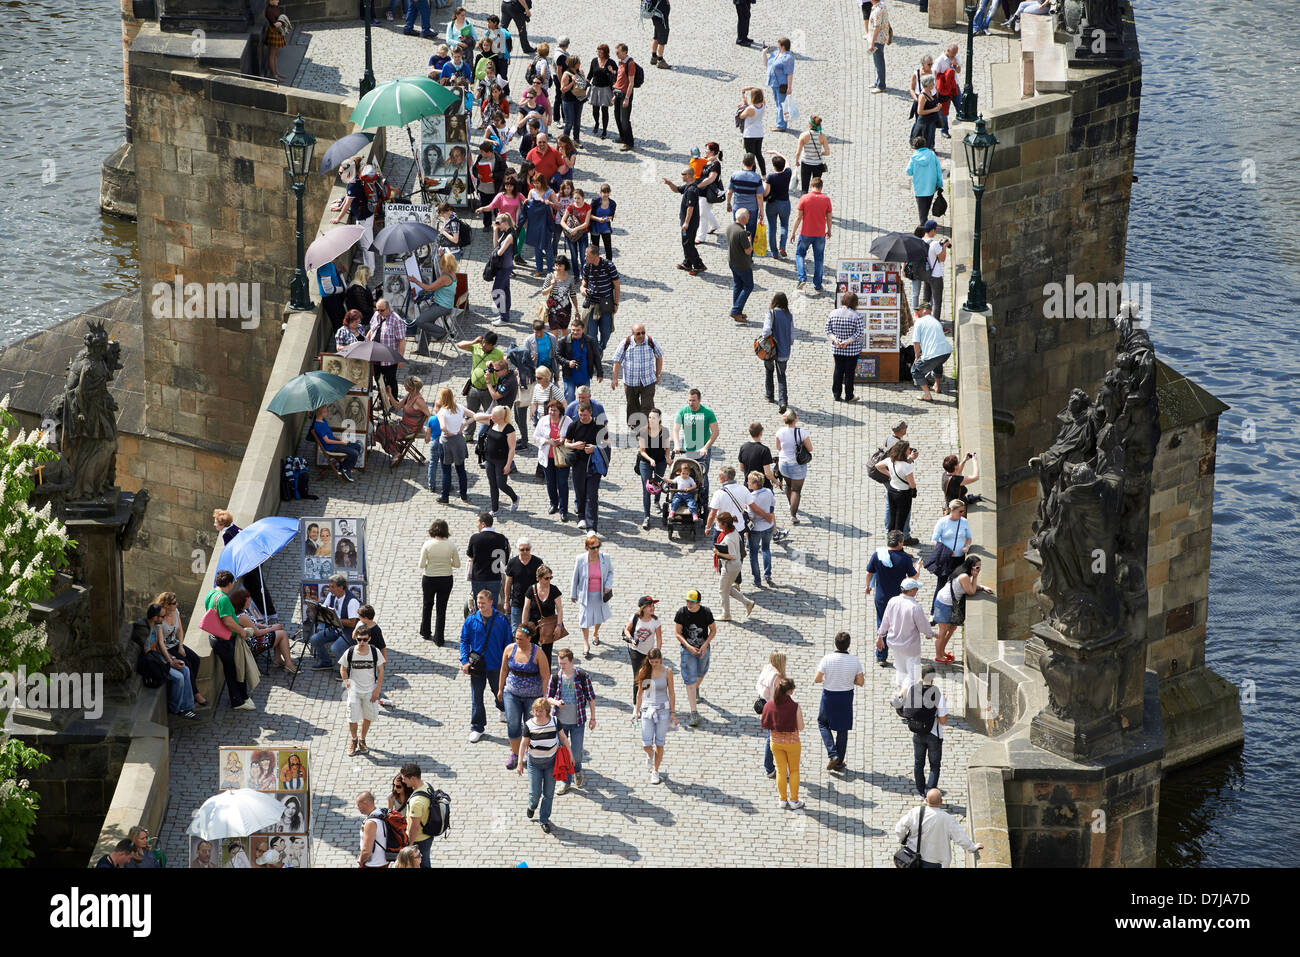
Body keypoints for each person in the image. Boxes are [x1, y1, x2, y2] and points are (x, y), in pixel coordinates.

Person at [460, 589, 512, 741]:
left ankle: (502, 709)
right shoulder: (471, 620)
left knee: (499, 691)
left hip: (496, 665)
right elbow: (464, 640)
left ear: (491, 602)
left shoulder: (502, 620)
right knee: (477, 697)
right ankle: (477, 726)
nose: (480, 605)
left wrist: (508, 663)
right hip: (477, 666)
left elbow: (508, 642)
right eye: (478, 603)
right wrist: (464, 661)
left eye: (483, 603)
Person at [498, 624, 550, 770]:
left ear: (529, 638)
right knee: (513, 724)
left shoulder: (538, 653)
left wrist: (544, 697)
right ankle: (515, 754)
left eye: (521, 639)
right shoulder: (510, 649)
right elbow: (504, 669)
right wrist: (500, 688)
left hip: (532, 696)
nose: (518, 641)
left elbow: (545, 676)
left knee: (530, 726)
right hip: (512, 693)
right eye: (516, 638)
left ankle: (529, 753)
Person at [546, 647, 597, 792]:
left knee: (576, 752)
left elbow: (591, 698)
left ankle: (577, 769)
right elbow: (547, 697)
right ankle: (565, 781)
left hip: (578, 721)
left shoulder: (582, 676)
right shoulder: (556, 677)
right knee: (563, 752)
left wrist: (593, 718)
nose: (562, 667)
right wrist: (556, 703)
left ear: (571, 661)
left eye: (564, 664)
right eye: (560, 663)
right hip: (560, 722)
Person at [866, 530, 919, 666]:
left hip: (881, 597)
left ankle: (881, 656)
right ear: (900, 542)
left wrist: (868, 587)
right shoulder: (905, 559)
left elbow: (869, 573)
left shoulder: (878, 555)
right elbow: (913, 578)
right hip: (898, 599)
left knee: (882, 623)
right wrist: (918, 567)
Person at [814, 631, 864, 772]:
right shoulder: (855, 661)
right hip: (846, 696)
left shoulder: (827, 659)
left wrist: (826, 679)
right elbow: (861, 682)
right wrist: (851, 680)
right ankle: (839, 761)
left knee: (823, 723)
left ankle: (833, 754)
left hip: (829, 695)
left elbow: (817, 679)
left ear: (835, 643)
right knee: (843, 729)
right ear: (848, 645)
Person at [517, 696, 569, 834]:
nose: (538, 713)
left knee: (548, 793)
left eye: (540, 711)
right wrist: (520, 763)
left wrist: (570, 754)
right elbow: (523, 744)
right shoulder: (529, 725)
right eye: (535, 710)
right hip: (534, 764)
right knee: (535, 793)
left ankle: (544, 819)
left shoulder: (554, 721)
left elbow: (563, 738)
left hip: (551, 764)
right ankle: (532, 806)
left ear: (547, 711)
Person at [895, 788, 982, 867]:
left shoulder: (916, 812)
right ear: (941, 801)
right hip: (935, 861)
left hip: (912, 856)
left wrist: (901, 839)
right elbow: (960, 837)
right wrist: (972, 847)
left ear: (926, 800)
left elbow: (899, 828)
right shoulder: (947, 819)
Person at [205, 570, 254, 710]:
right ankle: (238, 701)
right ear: (230, 583)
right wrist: (242, 631)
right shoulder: (223, 599)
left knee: (231, 670)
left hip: (215, 638)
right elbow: (228, 622)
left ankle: (240, 697)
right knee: (234, 670)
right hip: (225, 640)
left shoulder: (211, 594)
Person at [877, 577, 934, 692]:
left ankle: (900, 694)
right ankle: (901, 696)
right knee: (913, 675)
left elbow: (885, 620)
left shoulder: (892, 601)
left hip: (895, 644)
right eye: (916, 589)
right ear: (912, 590)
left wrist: (880, 636)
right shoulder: (915, 607)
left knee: (900, 669)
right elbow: (923, 626)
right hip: (910, 646)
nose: (917, 590)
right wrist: (930, 634)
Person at [934, 555, 993, 663]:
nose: (979, 569)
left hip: (947, 602)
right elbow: (971, 591)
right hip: (944, 604)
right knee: (942, 631)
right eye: (977, 567)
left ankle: (942, 651)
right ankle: (939, 655)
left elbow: (968, 587)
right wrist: (975, 577)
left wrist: (983, 587)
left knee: (952, 628)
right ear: (971, 567)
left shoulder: (962, 572)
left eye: (980, 567)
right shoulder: (964, 576)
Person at [145, 603, 197, 719]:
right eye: (162, 617)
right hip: (154, 663)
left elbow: (160, 646)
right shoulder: (146, 629)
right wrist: (168, 663)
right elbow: (149, 653)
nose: (163, 619)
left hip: (161, 658)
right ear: (155, 617)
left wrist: (172, 659)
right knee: (179, 677)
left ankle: (187, 706)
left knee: (186, 669)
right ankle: (176, 708)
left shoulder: (156, 625)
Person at [151, 591, 206, 703]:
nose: (177, 604)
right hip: (166, 649)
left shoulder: (175, 612)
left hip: (175, 644)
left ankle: (190, 688)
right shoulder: (160, 618)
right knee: (187, 664)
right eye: (174, 603)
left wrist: (181, 646)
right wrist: (169, 659)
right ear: (166, 605)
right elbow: (160, 643)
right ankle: (195, 693)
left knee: (195, 659)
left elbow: (180, 630)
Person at [563, 403, 609, 533]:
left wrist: (594, 449)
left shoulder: (599, 427)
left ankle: (592, 527)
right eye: (580, 414)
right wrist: (574, 445)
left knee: (592, 496)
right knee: (580, 493)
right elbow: (566, 443)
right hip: (578, 464)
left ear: (591, 413)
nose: (582, 417)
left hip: (594, 465)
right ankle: (581, 517)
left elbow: (607, 444)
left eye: (585, 415)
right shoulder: (573, 425)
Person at [674, 589, 716, 727]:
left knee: (701, 672)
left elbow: (713, 630)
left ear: (698, 602)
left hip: (703, 648)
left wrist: (705, 645)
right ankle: (694, 712)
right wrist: (688, 646)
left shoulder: (706, 612)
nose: (689, 604)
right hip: (687, 650)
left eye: (692, 602)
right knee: (689, 679)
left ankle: (697, 687)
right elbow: (677, 633)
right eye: (687, 601)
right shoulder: (681, 613)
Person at [634, 647, 677, 783]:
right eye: (652, 662)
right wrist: (636, 710)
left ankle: (655, 771)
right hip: (647, 710)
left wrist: (672, 712)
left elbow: (671, 693)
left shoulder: (667, 672)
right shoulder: (644, 671)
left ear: (660, 660)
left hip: (663, 710)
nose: (654, 664)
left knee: (660, 743)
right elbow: (640, 693)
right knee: (646, 743)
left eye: (657, 662)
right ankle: (650, 754)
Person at [762, 678, 806, 810]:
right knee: (794, 771)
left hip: (775, 743)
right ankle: (794, 800)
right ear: (790, 691)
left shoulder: (769, 704)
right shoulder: (795, 707)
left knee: (781, 771)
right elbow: (801, 727)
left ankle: (782, 799)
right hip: (792, 743)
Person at [231, 589, 294, 676]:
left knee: (278, 629)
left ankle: (278, 659)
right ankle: (288, 664)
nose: (250, 600)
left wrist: (268, 626)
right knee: (282, 634)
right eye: (247, 599)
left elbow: (254, 624)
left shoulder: (242, 611)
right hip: (253, 643)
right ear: (242, 602)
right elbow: (257, 633)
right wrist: (272, 628)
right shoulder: (242, 617)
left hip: (253, 637)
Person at [341, 626, 383, 756]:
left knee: (368, 716)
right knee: (352, 718)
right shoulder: (350, 652)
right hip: (354, 692)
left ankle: (362, 739)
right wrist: (347, 683)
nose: (362, 642)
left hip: (370, 691)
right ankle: (354, 740)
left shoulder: (375, 652)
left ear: (369, 639)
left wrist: (377, 690)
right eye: (359, 639)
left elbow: (381, 671)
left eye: (365, 640)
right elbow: (343, 668)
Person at [610, 322, 663, 426]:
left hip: (648, 381)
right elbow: (617, 361)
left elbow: (659, 357)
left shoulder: (651, 342)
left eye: (643, 333)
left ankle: (648, 427)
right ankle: (634, 425)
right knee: (632, 406)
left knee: (647, 406)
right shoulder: (626, 343)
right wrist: (614, 378)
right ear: (633, 334)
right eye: (638, 333)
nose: (641, 336)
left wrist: (658, 374)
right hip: (630, 382)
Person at [471, 405, 520, 515]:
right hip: (489, 459)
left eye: (494, 416)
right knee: (492, 484)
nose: (492, 417)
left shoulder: (509, 429)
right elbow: (476, 417)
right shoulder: (492, 423)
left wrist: (508, 465)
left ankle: (515, 498)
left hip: (501, 461)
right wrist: (490, 415)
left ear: (501, 417)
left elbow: (512, 448)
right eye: (492, 415)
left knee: (501, 484)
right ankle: (495, 509)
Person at [672, 388, 720, 498]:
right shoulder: (683, 411)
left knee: (703, 476)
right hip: (688, 450)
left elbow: (715, 432)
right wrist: (677, 445)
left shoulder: (708, 413)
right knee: (684, 474)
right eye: (689, 400)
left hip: (702, 451)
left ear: (699, 400)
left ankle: (703, 500)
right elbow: (675, 429)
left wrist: (706, 447)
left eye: (693, 400)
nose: (691, 403)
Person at [569, 534, 612, 655]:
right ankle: (586, 643)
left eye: (598, 546)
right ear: (587, 548)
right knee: (584, 619)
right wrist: (573, 593)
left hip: (600, 593)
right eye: (593, 548)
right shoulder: (580, 559)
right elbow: (575, 577)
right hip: (585, 594)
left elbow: (610, 572)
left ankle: (595, 633)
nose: (596, 550)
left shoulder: (605, 558)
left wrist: (608, 585)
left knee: (599, 615)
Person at [408, 253, 459, 356]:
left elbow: (429, 288)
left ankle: (441, 333)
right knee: (427, 321)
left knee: (420, 321)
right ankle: (422, 349)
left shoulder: (445, 277)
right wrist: (441, 255)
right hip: (445, 305)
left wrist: (415, 281)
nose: (440, 265)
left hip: (442, 307)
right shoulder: (453, 273)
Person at [308, 574, 360, 672]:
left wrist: (336, 620)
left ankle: (348, 670)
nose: (330, 589)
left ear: (341, 588)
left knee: (335, 648)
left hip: (349, 632)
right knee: (315, 639)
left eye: (333, 587)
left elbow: (352, 623)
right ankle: (326, 662)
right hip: (335, 628)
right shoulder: (332, 595)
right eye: (330, 586)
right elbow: (324, 608)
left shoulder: (352, 601)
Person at [419, 519, 459, 645]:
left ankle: (425, 631)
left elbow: (421, 564)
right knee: (441, 608)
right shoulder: (451, 545)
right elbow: (457, 564)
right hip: (446, 578)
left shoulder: (427, 545)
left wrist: (429, 564)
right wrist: (448, 563)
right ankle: (439, 638)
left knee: (427, 605)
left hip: (429, 578)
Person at [533, 398, 573, 520]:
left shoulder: (567, 421)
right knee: (550, 483)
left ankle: (563, 510)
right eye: (550, 410)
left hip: (561, 458)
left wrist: (563, 440)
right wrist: (547, 441)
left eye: (554, 410)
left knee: (562, 483)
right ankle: (553, 504)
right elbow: (536, 436)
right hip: (547, 457)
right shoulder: (543, 420)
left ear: (560, 411)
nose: (552, 413)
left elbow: (573, 436)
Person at [792, 177, 833, 293]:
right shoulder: (826, 200)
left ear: (811, 186)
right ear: (821, 187)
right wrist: (829, 230)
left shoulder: (804, 198)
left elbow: (798, 217)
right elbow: (829, 218)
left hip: (805, 233)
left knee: (800, 254)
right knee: (819, 259)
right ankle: (817, 284)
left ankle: (802, 278)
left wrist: (793, 232)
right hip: (820, 234)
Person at [520, 563, 565, 667]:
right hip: (533, 626)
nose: (549, 580)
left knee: (547, 653)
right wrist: (523, 626)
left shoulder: (554, 590)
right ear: (539, 578)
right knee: (532, 651)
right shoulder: (531, 590)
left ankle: (546, 676)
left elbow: (559, 609)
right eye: (546, 578)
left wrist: (559, 625)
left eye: (550, 578)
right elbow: (526, 609)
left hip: (549, 626)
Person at [664, 166, 706, 276]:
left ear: (688, 175)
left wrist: (686, 222)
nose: (681, 175)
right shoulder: (688, 186)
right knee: (686, 243)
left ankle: (698, 265)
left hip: (690, 223)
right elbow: (677, 190)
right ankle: (687, 263)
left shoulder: (692, 190)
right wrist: (669, 183)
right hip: (687, 222)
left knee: (688, 244)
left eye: (683, 174)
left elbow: (690, 208)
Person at [757, 294, 795, 412]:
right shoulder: (789, 316)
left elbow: (766, 331)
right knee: (781, 375)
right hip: (784, 351)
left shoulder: (771, 313)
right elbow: (792, 337)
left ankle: (770, 395)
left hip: (771, 349)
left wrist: (765, 337)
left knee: (769, 370)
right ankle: (783, 401)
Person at [714, 512, 755, 621]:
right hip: (734, 566)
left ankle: (726, 614)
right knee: (727, 588)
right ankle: (748, 603)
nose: (717, 524)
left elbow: (732, 556)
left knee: (723, 591)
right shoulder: (733, 531)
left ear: (724, 524)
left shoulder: (728, 538)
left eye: (719, 523)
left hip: (730, 567)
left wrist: (718, 553)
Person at [622, 596, 662, 705]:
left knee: (649, 677)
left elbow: (659, 638)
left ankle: (648, 701)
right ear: (643, 608)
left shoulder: (656, 621)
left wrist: (657, 653)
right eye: (650, 606)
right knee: (638, 677)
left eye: (653, 605)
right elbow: (627, 629)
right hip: (636, 651)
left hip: (649, 653)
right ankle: (636, 705)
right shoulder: (635, 617)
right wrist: (631, 639)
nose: (652, 608)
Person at [775, 408, 813, 524]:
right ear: (795, 419)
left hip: (783, 464)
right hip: (797, 465)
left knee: (788, 485)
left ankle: (790, 503)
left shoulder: (780, 432)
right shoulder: (801, 432)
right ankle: (793, 515)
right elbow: (810, 448)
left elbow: (778, 448)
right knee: (796, 490)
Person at [825, 291, 865, 402]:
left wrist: (836, 340)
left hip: (837, 348)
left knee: (838, 370)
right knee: (849, 373)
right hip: (852, 350)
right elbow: (859, 333)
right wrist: (847, 341)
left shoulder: (833, 313)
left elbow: (828, 330)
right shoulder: (857, 316)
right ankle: (849, 395)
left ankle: (836, 394)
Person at [434, 385, 471, 503]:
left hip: (446, 443)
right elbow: (474, 415)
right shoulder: (459, 407)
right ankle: (464, 494)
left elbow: (442, 427)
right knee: (461, 470)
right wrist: (463, 426)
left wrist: (447, 432)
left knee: (446, 471)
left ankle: (445, 497)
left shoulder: (442, 412)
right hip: (459, 440)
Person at [579, 244, 621, 350]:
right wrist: (582, 288)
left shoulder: (609, 265)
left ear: (595, 256)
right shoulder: (586, 266)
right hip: (592, 303)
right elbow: (584, 280)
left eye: (587, 256)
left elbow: (616, 286)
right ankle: (596, 353)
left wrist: (616, 303)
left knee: (606, 331)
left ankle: (600, 348)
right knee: (590, 333)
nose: (585, 258)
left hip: (606, 302)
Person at [911, 298, 953, 401]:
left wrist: (916, 357)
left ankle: (927, 395)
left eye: (919, 310)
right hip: (946, 352)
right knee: (937, 362)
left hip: (934, 353)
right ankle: (937, 386)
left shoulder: (919, 322)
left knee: (915, 370)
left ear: (925, 310)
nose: (917, 313)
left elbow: (916, 343)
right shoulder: (936, 321)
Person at [636, 408, 670, 529]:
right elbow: (642, 451)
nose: (651, 420)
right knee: (647, 488)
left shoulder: (664, 431)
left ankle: (656, 501)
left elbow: (667, 448)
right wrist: (650, 460)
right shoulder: (643, 431)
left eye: (654, 418)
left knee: (657, 484)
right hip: (646, 462)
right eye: (649, 417)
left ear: (659, 419)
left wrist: (667, 458)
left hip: (660, 461)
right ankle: (646, 516)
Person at [467, 512, 509, 607]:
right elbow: (504, 559)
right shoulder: (501, 538)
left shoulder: (475, 538)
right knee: (492, 607)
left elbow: (470, 555)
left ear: (483, 524)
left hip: (478, 577)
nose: (477, 525)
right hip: (494, 577)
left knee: (480, 606)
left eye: (477, 523)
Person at [503, 538, 545, 633]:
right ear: (518, 550)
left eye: (527, 549)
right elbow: (508, 583)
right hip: (517, 602)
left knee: (532, 631)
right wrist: (506, 601)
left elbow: (543, 582)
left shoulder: (537, 562)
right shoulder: (512, 563)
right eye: (522, 549)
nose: (525, 551)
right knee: (516, 630)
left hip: (534, 603)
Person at [367, 299, 406, 399]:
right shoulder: (376, 315)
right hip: (375, 355)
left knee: (390, 380)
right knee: (378, 379)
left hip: (389, 358)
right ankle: (382, 401)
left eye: (382, 310)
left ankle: (394, 400)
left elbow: (402, 340)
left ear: (388, 309)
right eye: (377, 309)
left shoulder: (396, 320)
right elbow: (372, 330)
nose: (379, 312)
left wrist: (400, 358)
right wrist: (366, 341)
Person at [755, 650, 786, 777]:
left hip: (767, 707)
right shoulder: (778, 678)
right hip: (776, 710)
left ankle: (771, 766)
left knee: (772, 737)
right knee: (773, 738)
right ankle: (769, 767)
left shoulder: (766, 668)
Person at [878, 439, 918, 535]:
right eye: (908, 449)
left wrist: (889, 475)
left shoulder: (890, 461)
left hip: (892, 491)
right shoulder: (907, 466)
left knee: (892, 516)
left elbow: (878, 466)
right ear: (904, 452)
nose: (910, 451)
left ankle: (890, 537)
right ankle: (897, 543)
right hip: (903, 494)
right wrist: (914, 490)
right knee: (900, 520)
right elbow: (911, 483)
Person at [399, 763, 435, 868]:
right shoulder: (427, 786)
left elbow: (414, 827)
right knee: (425, 861)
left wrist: (410, 845)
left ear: (413, 778)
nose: (403, 782)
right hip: (428, 835)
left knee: (420, 864)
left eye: (404, 779)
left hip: (419, 839)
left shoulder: (416, 802)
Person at [745, 470, 777, 586]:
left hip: (756, 529)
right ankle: (767, 574)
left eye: (749, 482)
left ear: (754, 484)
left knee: (753, 553)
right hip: (768, 526)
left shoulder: (751, 497)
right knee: (766, 549)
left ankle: (757, 580)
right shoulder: (768, 492)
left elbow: (751, 517)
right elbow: (773, 503)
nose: (747, 483)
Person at [312, 406, 360, 482]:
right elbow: (327, 441)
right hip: (331, 447)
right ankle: (346, 469)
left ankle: (343, 467)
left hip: (336, 443)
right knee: (354, 453)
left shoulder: (323, 420)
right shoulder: (319, 425)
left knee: (357, 446)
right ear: (322, 413)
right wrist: (341, 442)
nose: (327, 413)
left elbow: (330, 433)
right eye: (326, 411)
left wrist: (339, 438)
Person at [725, 209, 756, 323]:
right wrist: (749, 240)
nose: (749, 218)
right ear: (743, 219)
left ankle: (737, 310)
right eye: (748, 216)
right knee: (748, 286)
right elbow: (748, 251)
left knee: (738, 285)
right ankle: (735, 310)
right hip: (742, 264)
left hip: (732, 262)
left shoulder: (730, 227)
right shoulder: (742, 232)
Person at [906, 136, 943, 226]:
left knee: (921, 206)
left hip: (919, 186)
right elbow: (938, 170)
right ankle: (924, 220)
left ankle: (923, 224)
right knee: (927, 204)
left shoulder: (914, 158)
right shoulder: (932, 154)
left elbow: (908, 171)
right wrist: (939, 183)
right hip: (931, 185)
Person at [539, 256, 580, 337]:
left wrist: (577, 310)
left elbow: (573, 295)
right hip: (553, 309)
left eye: (560, 266)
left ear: (565, 266)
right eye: (556, 265)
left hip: (566, 309)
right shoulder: (550, 276)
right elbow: (543, 292)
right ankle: (555, 349)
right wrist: (551, 286)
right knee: (554, 333)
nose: (557, 268)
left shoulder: (570, 278)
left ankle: (563, 349)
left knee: (564, 331)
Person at [726, 153, 763, 240]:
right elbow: (759, 196)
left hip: (738, 207)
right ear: (753, 163)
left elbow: (729, 192)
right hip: (752, 209)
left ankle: (738, 248)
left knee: (738, 230)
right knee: (751, 231)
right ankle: (749, 250)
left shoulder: (735, 175)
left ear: (743, 162)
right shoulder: (757, 178)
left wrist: (728, 203)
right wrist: (761, 210)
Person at [488, 214, 517, 326]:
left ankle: (504, 317)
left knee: (496, 291)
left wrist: (496, 252)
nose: (497, 225)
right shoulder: (505, 233)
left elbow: (499, 252)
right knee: (505, 291)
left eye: (498, 223)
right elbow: (496, 246)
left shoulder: (510, 235)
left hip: (505, 268)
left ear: (505, 222)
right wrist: (495, 230)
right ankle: (504, 315)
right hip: (504, 266)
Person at [705, 465, 751, 537]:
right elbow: (751, 505)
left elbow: (712, 514)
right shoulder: (744, 489)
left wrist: (708, 527)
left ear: (726, 478)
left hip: (722, 530)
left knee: (719, 548)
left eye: (720, 475)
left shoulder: (718, 493)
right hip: (739, 528)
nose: (718, 476)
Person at [763, 155, 793, 258]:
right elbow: (788, 162)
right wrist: (778, 153)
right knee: (784, 226)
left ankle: (774, 253)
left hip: (772, 204)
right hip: (784, 203)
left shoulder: (771, 177)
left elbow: (766, 193)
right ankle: (782, 246)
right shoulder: (788, 173)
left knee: (772, 228)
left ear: (774, 166)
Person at [763, 38, 795, 132]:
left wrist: (789, 87)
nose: (777, 47)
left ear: (783, 46)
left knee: (782, 105)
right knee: (778, 104)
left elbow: (789, 73)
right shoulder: (776, 53)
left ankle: (781, 126)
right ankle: (779, 123)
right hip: (773, 83)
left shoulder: (788, 58)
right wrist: (764, 53)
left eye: (779, 46)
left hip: (781, 84)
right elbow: (766, 64)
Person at [793, 116, 830, 194]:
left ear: (810, 124)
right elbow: (827, 152)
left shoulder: (803, 135)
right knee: (816, 187)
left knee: (804, 188)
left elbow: (798, 152)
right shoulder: (822, 136)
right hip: (818, 165)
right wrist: (821, 153)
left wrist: (796, 161)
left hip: (806, 163)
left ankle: (805, 202)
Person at [587, 45, 617, 138]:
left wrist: (612, 71)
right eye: (598, 51)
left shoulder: (611, 62)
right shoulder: (594, 61)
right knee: (595, 109)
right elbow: (590, 73)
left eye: (601, 52)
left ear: (605, 53)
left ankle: (604, 130)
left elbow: (617, 74)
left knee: (605, 110)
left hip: (605, 88)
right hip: (595, 88)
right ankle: (596, 123)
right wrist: (586, 83)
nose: (598, 54)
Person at [612, 44, 638, 152]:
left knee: (625, 120)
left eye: (618, 52)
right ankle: (622, 137)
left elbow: (631, 83)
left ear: (625, 52)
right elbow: (619, 79)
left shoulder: (630, 64)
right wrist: (614, 95)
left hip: (625, 95)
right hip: (618, 93)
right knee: (617, 117)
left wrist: (627, 98)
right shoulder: (621, 62)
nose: (616, 54)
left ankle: (629, 142)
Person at [738, 422, 779, 491]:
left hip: (749, 485)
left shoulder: (743, 447)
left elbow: (741, 468)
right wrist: (775, 481)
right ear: (761, 433)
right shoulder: (764, 450)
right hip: (762, 486)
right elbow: (767, 473)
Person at [737, 89, 767, 175]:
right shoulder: (763, 105)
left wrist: (742, 104)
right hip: (759, 133)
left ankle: (752, 174)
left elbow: (741, 116)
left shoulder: (750, 108)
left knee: (751, 156)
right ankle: (763, 174)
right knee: (759, 154)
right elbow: (760, 93)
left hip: (750, 134)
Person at [356, 791, 389, 868]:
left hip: (373, 863)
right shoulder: (381, 814)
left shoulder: (370, 823)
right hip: (384, 860)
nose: (357, 808)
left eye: (358, 805)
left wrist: (360, 861)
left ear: (365, 803)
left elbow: (366, 851)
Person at [913, 74, 943, 151]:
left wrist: (937, 106)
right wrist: (934, 109)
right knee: (926, 141)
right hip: (925, 123)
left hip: (931, 121)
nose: (933, 84)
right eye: (932, 83)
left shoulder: (930, 92)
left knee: (930, 139)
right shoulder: (923, 96)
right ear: (928, 85)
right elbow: (920, 111)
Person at [866, 0, 891, 92]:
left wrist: (871, 43)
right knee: (878, 62)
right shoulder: (881, 6)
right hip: (880, 38)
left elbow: (877, 27)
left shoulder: (877, 10)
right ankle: (878, 81)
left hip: (877, 39)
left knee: (879, 62)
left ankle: (881, 85)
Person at [264, 0, 287, 79]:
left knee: (275, 55)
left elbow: (280, 18)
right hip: (273, 33)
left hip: (278, 32)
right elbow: (275, 24)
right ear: (271, 0)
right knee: (272, 55)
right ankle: (274, 75)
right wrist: (283, 21)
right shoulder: (269, 10)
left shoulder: (275, 7)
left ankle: (276, 73)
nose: (278, 0)